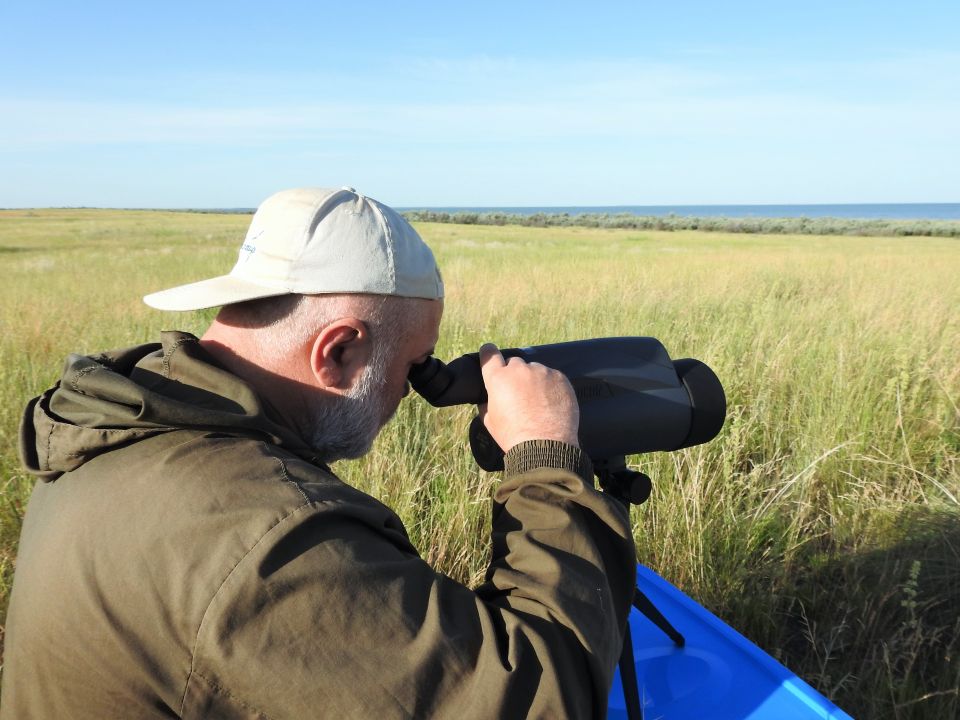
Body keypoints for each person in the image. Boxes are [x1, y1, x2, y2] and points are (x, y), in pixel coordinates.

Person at [2, 187, 636, 719]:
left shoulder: (116, 428)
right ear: (337, 351)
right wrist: (544, 455)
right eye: (414, 366)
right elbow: (544, 700)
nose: (414, 391)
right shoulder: (264, 537)